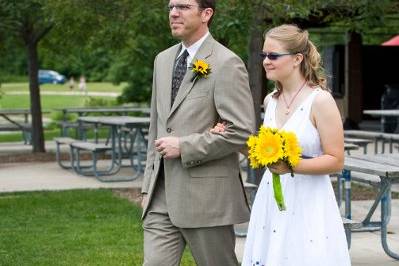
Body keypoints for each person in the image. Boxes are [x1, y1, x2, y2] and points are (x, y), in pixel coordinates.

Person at [212, 24, 351, 265]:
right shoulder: (271, 101)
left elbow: (336, 160)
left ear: (297, 59)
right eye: (264, 55)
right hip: (271, 198)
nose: (266, 61)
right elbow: (268, 153)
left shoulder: (321, 101)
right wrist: (232, 138)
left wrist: (291, 167)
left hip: (309, 200)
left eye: (273, 55)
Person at [140, 1, 256, 265]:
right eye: (171, 7)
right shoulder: (163, 59)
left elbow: (240, 130)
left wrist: (185, 146)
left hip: (207, 199)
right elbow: (156, 127)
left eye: (183, 6)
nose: (173, 13)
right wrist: (147, 187)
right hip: (160, 195)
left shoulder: (227, 62)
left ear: (206, 14)